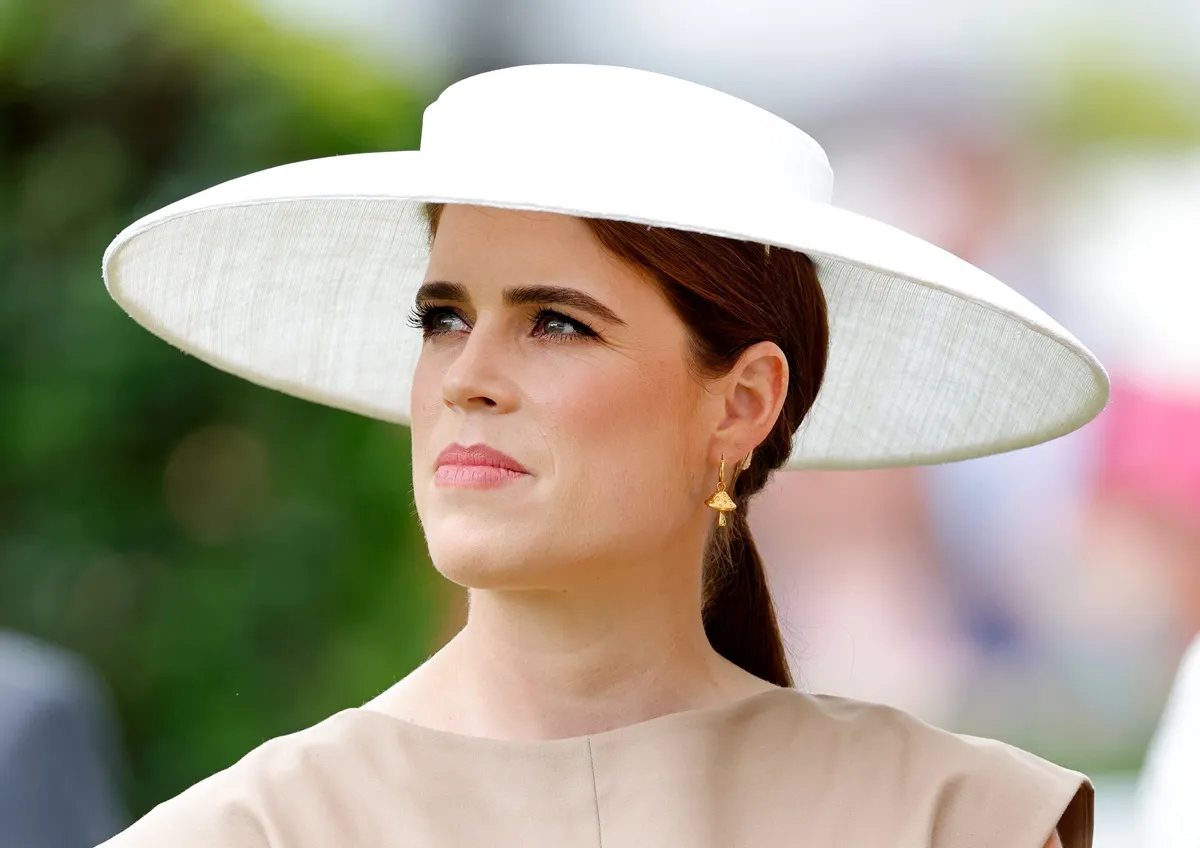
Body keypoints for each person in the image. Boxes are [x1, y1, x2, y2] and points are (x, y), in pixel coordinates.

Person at [95, 64, 1108, 847]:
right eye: (442, 317)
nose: (467, 376)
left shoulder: (954, 820)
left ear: (744, 399)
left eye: (557, 323)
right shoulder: (249, 831)